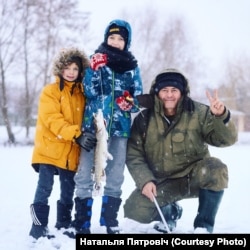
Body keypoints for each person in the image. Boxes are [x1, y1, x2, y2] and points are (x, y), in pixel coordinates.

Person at [123, 68, 238, 233]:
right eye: (165, 90)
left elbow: (226, 140)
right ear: (157, 93)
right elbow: (134, 155)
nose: (169, 95)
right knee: (134, 212)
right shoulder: (143, 118)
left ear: (182, 93)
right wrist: (145, 180)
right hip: (162, 182)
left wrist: (221, 116)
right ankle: (170, 212)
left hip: (194, 177)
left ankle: (203, 226)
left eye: (174, 90)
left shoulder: (199, 113)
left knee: (215, 169)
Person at [72, 19, 143, 235]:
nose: (115, 41)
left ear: (126, 42)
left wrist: (128, 103)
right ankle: (82, 222)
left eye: (120, 38)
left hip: (120, 130)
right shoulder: (96, 60)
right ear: (106, 39)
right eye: (111, 37)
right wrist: (93, 70)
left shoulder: (132, 67)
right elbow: (88, 91)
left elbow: (137, 99)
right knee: (84, 172)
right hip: (93, 128)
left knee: (115, 175)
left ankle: (109, 220)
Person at [29, 47, 97, 240]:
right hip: (49, 149)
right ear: (60, 68)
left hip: (71, 151)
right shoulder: (50, 92)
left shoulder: (82, 94)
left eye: (75, 69)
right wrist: (76, 134)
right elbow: (52, 119)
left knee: (68, 190)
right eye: (67, 67)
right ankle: (38, 227)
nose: (71, 72)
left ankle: (63, 223)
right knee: (45, 188)